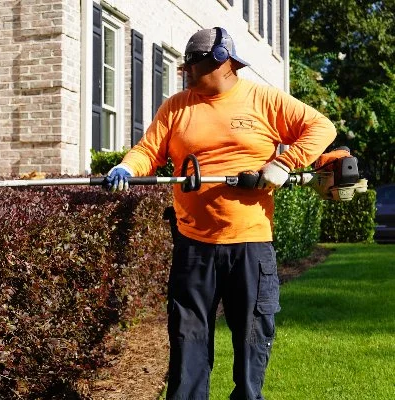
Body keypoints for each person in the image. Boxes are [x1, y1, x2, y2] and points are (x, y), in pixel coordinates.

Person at [102, 27, 336, 399]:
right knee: (187, 336)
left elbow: (321, 127)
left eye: (193, 66)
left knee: (252, 338)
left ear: (221, 62)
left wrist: (283, 163)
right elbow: (149, 150)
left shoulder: (262, 99)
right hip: (193, 243)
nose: (186, 73)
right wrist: (128, 168)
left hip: (250, 242)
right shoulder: (177, 106)